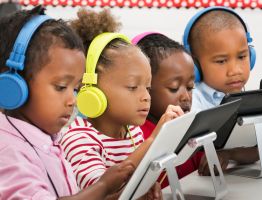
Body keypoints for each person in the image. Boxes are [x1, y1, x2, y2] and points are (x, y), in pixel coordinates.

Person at [0, 6, 136, 200]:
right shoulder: (8, 151)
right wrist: (103, 186)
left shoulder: (48, 137)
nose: (73, 100)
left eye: (75, 88)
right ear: (14, 85)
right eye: (61, 87)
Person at [60, 9, 183, 199]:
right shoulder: (78, 139)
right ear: (92, 88)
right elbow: (101, 195)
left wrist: (148, 187)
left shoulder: (133, 133)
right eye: (133, 87)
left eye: (148, 88)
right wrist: (153, 141)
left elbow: (132, 187)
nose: (146, 97)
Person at [183, 6, 262, 175]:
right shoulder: (193, 102)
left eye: (242, 56)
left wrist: (229, 154)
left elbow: (261, 149)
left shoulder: (245, 98)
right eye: (222, 61)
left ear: (251, 56)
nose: (235, 70)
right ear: (194, 65)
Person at [132, 32, 207, 187]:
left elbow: (202, 162)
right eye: (174, 88)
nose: (186, 97)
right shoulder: (136, 136)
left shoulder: (186, 128)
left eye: (190, 87)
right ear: (145, 87)